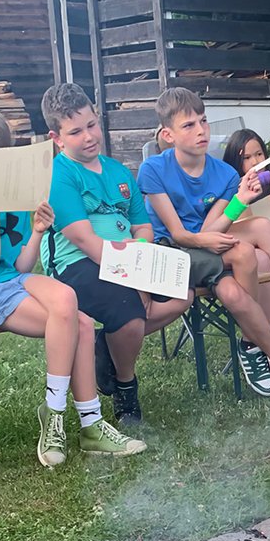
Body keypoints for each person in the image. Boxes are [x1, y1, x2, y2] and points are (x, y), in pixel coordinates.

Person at [0, 110, 145, 465]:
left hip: (9, 281)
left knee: (76, 313)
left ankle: (89, 423)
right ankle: (58, 415)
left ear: (3, 159)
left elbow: (20, 266)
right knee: (75, 317)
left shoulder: (18, 195)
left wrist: (36, 231)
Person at [138, 89, 270, 402]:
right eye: (189, 125)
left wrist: (240, 200)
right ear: (168, 135)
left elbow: (211, 228)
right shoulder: (154, 169)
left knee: (261, 254)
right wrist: (212, 235)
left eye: (203, 121)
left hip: (208, 246)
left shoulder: (225, 174)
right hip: (173, 252)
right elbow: (180, 234)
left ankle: (258, 344)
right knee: (246, 248)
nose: (201, 130)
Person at [41, 82, 193, 425]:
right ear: (57, 138)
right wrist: (136, 275)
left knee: (184, 292)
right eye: (75, 132)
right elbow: (85, 241)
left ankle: (107, 344)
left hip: (129, 258)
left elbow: (143, 227)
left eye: (91, 125)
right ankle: (126, 385)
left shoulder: (118, 171)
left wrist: (141, 256)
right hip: (75, 265)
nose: (89, 136)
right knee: (128, 310)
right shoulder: (59, 175)